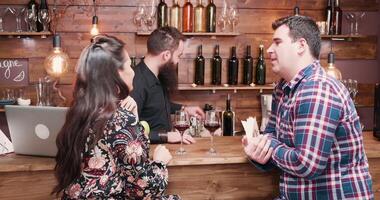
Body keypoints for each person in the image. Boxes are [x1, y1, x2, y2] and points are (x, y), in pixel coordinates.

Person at [242, 15, 373, 199]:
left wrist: (267, 145)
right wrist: (257, 151)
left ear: (301, 46)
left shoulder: (318, 88)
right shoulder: (283, 88)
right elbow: (271, 138)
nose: (269, 49)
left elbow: (307, 164)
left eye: (278, 42)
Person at [52, 35, 180, 199]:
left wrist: (134, 121)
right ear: (117, 73)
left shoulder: (79, 111)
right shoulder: (120, 119)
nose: (133, 71)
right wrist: (160, 162)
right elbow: (145, 188)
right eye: (129, 65)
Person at [130, 27, 205, 144]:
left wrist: (183, 109)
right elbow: (129, 132)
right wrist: (166, 136)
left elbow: (155, 105)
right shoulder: (136, 82)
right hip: (148, 155)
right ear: (166, 55)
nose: (177, 61)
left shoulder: (157, 75)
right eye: (178, 56)